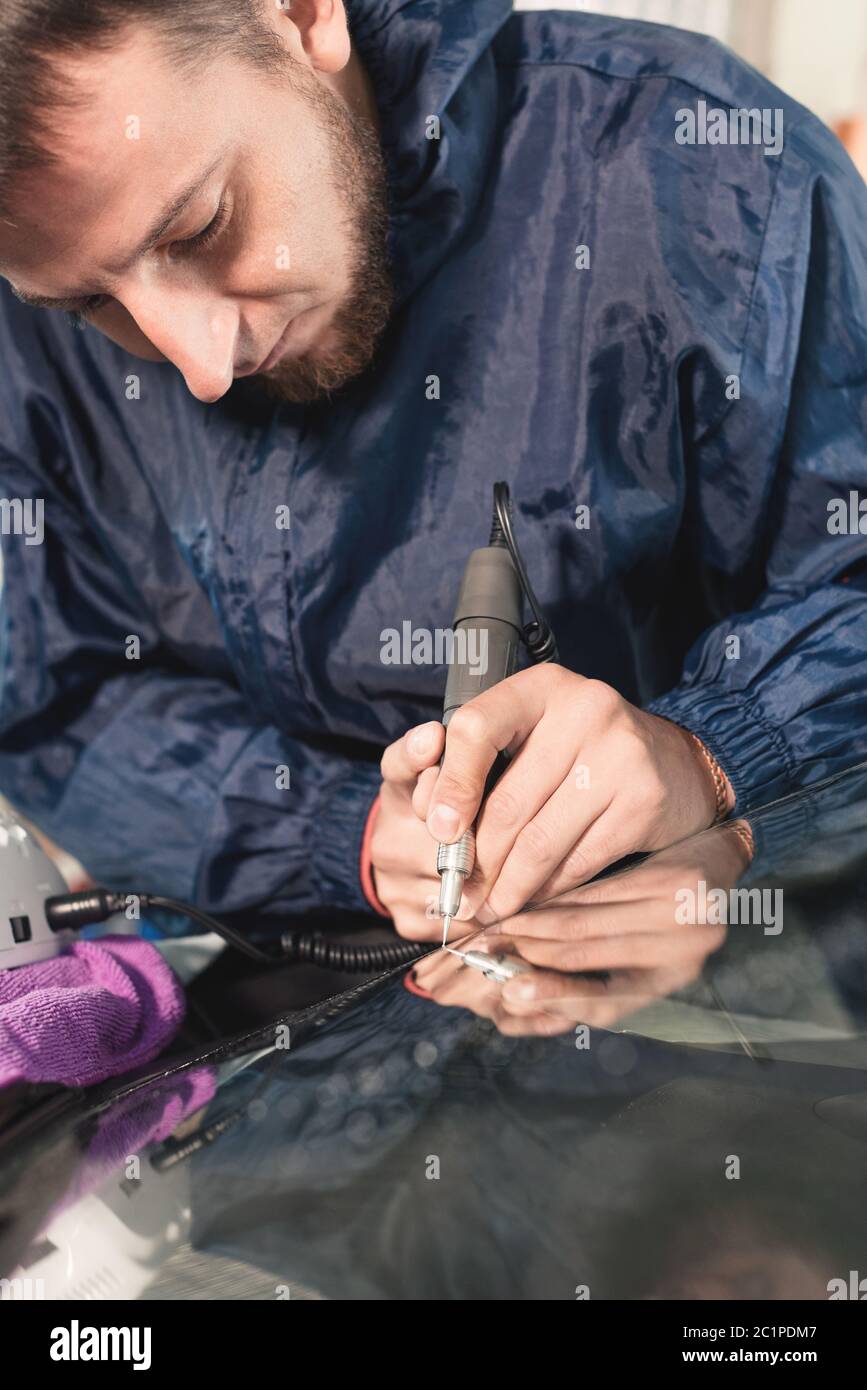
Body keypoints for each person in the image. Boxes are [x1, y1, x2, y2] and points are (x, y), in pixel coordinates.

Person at [0, 1, 865, 1015]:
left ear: (300, 13)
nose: (197, 363)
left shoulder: (711, 175)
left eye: (202, 225)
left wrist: (716, 759)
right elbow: (51, 699)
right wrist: (345, 831)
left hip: (738, 1056)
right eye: (90, 305)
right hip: (303, 1077)